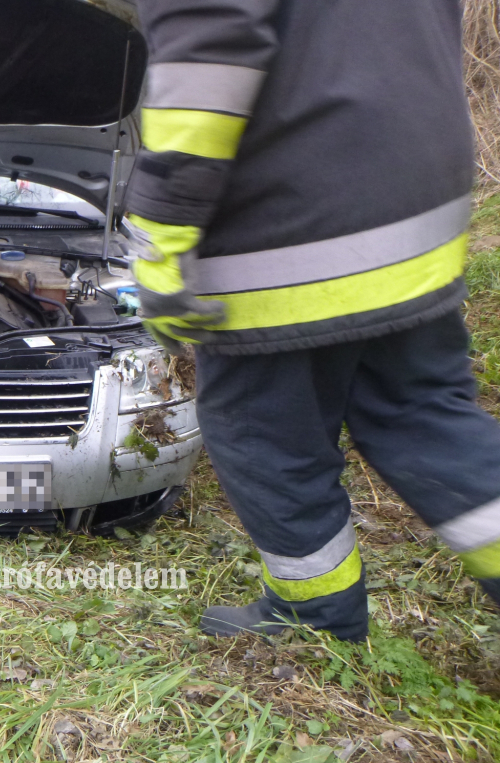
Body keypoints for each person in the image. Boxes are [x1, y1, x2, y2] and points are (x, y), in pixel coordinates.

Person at [126, 0, 500, 641]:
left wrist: (161, 237)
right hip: (416, 197)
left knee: (261, 431)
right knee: (421, 412)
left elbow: (207, 58)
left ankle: (314, 616)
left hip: (290, 226)